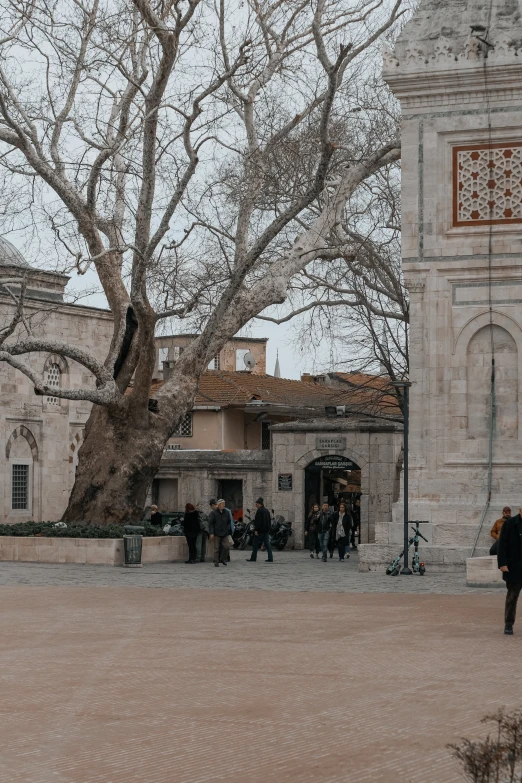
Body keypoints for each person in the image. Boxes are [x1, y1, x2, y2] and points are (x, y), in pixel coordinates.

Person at [497, 507, 522, 635]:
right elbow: (502, 545)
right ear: (520, 510)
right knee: (512, 597)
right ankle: (508, 624)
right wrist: (502, 563)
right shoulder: (510, 524)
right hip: (514, 567)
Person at [246, 497, 273, 563]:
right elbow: (269, 521)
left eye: (257, 504)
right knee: (267, 545)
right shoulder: (266, 511)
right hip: (266, 531)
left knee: (255, 545)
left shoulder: (259, 511)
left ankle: (253, 558)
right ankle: (270, 558)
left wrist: (256, 530)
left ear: (260, 504)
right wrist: (268, 529)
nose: (256, 505)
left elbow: (258, 522)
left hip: (260, 531)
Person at [209, 498, 232, 567]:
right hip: (217, 533)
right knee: (216, 548)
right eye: (222, 504)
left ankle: (222, 558)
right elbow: (211, 523)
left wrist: (228, 530)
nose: (224, 505)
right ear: (219, 505)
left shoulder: (226, 512)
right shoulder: (213, 513)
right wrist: (211, 533)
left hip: (224, 532)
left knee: (227, 547)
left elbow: (229, 521)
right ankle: (216, 561)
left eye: (224, 504)